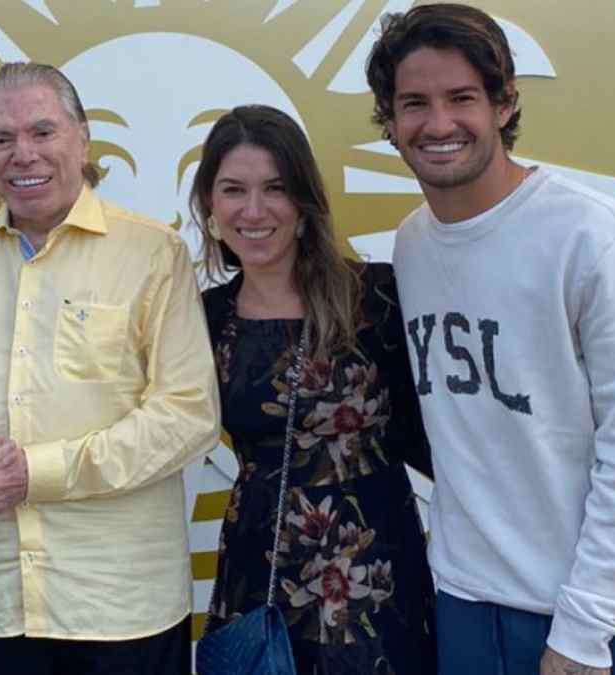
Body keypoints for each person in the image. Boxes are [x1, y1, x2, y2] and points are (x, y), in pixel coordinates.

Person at [365, 5, 615, 674]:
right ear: (389, 118)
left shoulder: (595, 238)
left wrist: (583, 632)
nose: (437, 124)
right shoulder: (413, 245)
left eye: (461, 97)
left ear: (503, 102)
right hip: (470, 604)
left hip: (613, 616)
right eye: (414, 103)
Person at [0, 62, 220, 675]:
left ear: (82, 138)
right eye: (1, 139)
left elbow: (188, 416)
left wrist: (32, 472)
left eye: (42, 132)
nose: (23, 154)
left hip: (122, 605)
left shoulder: (153, 253)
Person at [192, 104, 436, 674]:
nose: (253, 211)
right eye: (233, 190)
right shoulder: (205, 317)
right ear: (210, 204)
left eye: (274, 188)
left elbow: (446, 429)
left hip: (373, 573)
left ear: (303, 201)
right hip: (260, 569)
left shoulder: (375, 298)